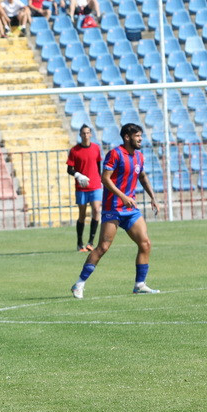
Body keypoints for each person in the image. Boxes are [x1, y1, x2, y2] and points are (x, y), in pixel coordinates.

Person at [71, 124, 160, 299]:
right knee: (103, 247)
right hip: (113, 208)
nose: (140, 139)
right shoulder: (115, 154)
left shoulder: (139, 156)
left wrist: (153, 197)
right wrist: (123, 196)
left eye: (141, 136)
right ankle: (79, 284)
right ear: (127, 137)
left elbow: (142, 176)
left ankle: (139, 285)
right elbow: (105, 178)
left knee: (145, 244)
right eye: (137, 136)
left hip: (130, 209)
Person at [66, 125, 102, 251]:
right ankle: (79, 242)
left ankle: (90, 242)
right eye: (83, 133)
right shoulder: (74, 151)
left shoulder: (96, 148)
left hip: (95, 185)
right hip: (81, 187)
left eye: (88, 133)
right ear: (80, 135)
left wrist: (100, 179)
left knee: (96, 210)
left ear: (91, 134)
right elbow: (69, 169)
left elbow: (98, 165)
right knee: (82, 214)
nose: (86, 135)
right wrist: (78, 175)